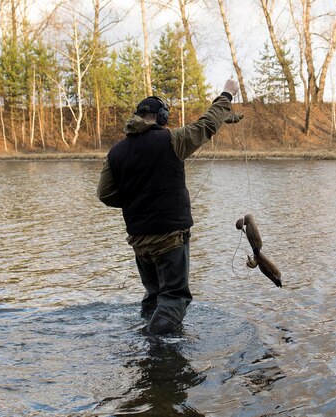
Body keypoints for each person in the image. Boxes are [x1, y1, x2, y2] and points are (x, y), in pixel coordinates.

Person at [97, 79, 241, 335]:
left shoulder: (115, 153)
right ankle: (156, 344)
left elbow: (105, 194)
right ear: (162, 118)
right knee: (174, 298)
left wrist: (137, 199)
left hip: (139, 241)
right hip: (169, 239)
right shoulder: (172, 140)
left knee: (154, 296)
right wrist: (226, 94)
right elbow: (206, 124)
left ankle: (145, 342)